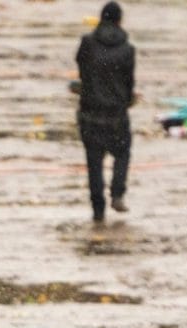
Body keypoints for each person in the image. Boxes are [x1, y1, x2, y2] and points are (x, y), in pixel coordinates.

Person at [75, 1, 136, 222]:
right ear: (119, 21)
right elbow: (129, 81)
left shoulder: (87, 44)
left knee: (94, 162)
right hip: (116, 114)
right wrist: (128, 100)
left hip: (90, 114)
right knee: (122, 153)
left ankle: (98, 209)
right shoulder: (127, 50)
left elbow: (82, 71)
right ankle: (118, 193)